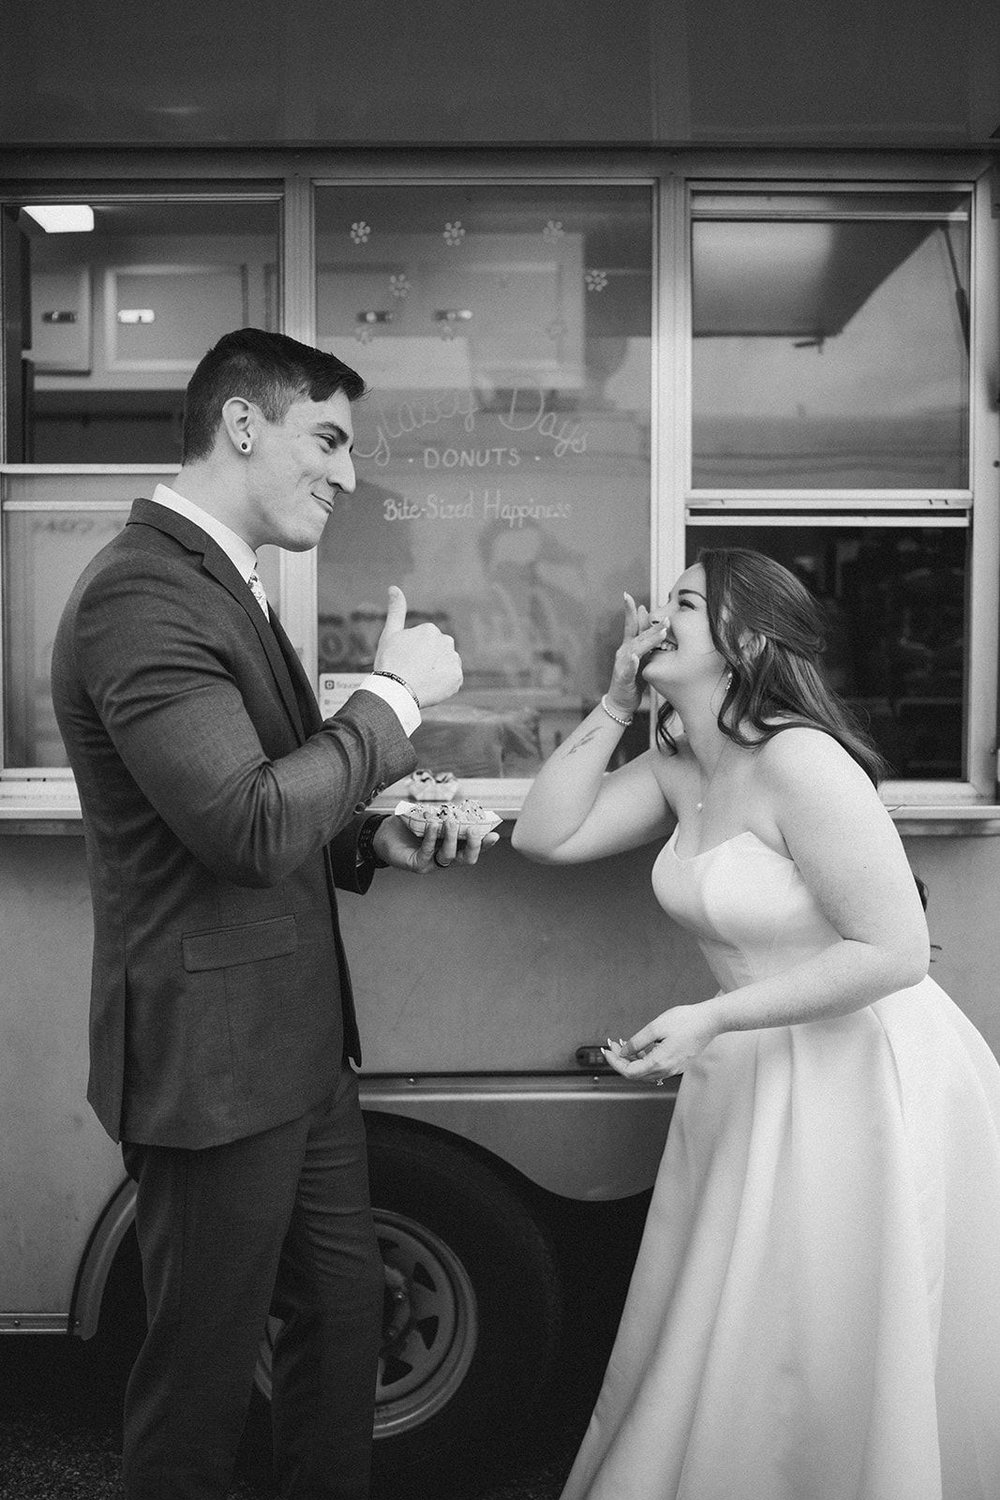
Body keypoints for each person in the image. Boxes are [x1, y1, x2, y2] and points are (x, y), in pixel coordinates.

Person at [51, 327, 496, 1500]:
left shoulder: (224, 582)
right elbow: (244, 823)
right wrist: (393, 698)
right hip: (212, 1066)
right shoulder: (139, 593)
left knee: (343, 1325)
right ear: (243, 424)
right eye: (329, 439)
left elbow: (271, 797)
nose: (349, 474)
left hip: (297, 1052)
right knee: (198, 1394)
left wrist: (371, 837)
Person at [512, 547, 1000, 1500]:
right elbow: (545, 834)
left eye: (687, 603)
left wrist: (715, 1016)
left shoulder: (799, 761)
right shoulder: (676, 764)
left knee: (831, 1318)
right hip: (748, 1068)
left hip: (861, 1072)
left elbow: (896, 951)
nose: (661, 618)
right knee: (750, 1311)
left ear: (748, 640)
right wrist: (614, 701)